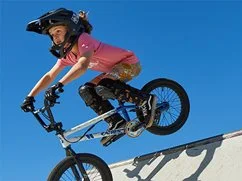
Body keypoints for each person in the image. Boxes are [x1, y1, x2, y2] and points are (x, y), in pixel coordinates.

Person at [21, 8, 157, 146]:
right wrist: (30, 97)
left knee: (104, 86)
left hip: (129, 64)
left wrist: (59, 85)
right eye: (52, 34)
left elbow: (82, 65)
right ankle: (116, 121)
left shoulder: (84, 39)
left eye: (58, 31)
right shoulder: (67, 55)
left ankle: (145, 100)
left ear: (70, 29)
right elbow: (50, 75)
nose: (55, 37)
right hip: (111, 73)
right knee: (86, 90)